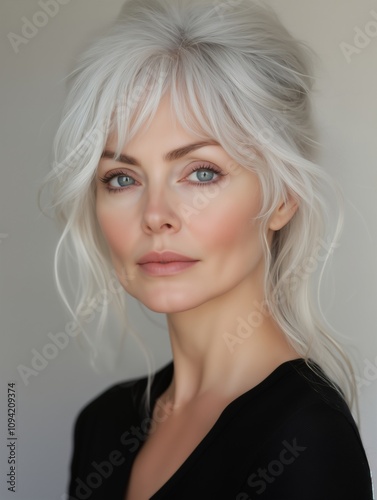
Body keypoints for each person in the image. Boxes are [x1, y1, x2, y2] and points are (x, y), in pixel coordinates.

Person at [39, 0, 374, 498]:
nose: (155, 215)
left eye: (202, 172)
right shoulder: (103, 425)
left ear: (283, 196)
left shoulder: (305, 440)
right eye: (122, 177)